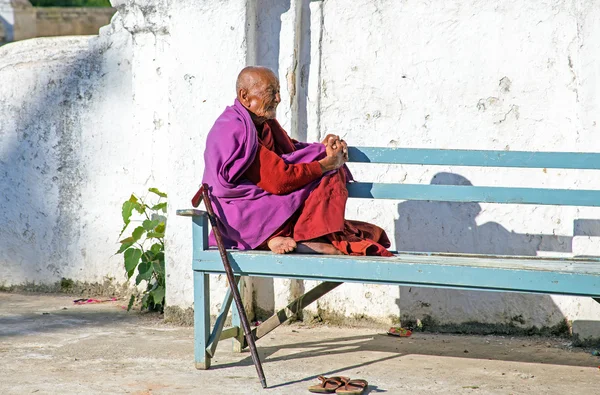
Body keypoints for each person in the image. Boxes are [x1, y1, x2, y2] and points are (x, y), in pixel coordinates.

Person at [196, 66, 392, 257]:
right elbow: (279, 180)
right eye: (271, 92)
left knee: (325, 165)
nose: (278, 99)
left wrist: (320, 149)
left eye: (278, 91)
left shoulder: (260, 123)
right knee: (329, 172)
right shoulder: (236, 129)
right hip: (239, 216)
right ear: (245, 96)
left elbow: (290, 149)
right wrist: (326, 164)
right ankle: (302, 236)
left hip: (257, 206)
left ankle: (283, 235)